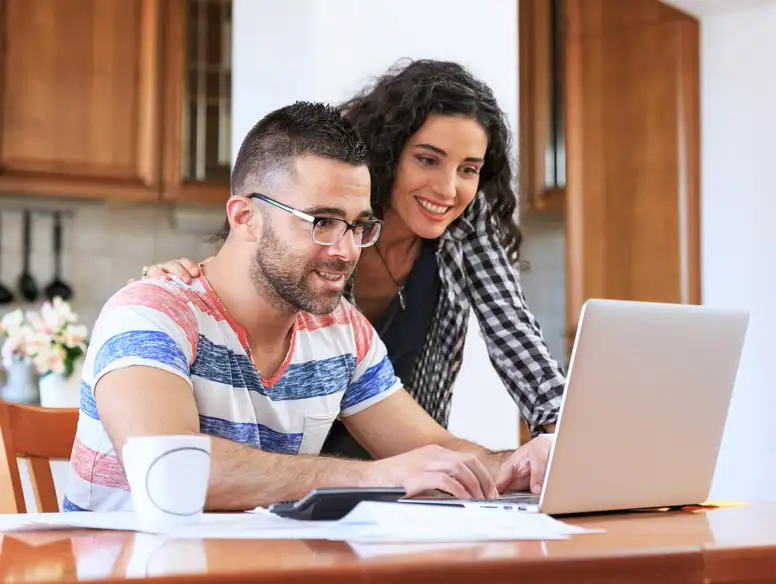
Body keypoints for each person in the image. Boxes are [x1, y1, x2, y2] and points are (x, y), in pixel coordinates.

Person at [64, 101, 551, 513]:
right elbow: (166, 470)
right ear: (245, 216)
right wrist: (377, 477)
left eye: (358, 225)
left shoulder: (339, 330)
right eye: (321, 221)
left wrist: (515, 464)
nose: (345, 250)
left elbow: (434, 449)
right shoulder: (151, 313)